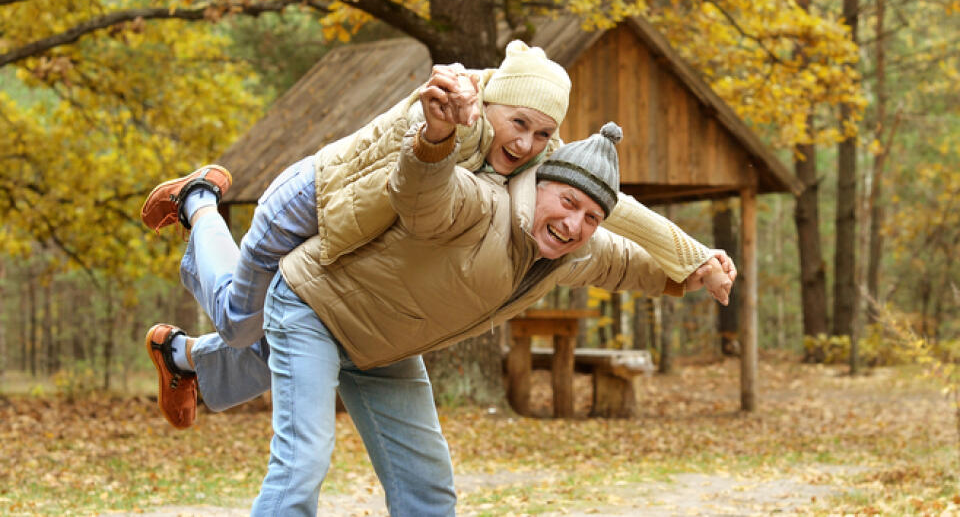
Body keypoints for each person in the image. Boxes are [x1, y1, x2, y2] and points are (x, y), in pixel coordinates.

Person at [143, 41, 735, 429]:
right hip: (310, 199)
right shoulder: (460, 109)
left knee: (275, 342)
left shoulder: (537, 164)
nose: (526, 142)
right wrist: (445, 110)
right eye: (520, 123)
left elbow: (621, 211)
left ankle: (182, 357)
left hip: (351, 249)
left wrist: (696, 260)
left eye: (542, 133)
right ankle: (199, 203)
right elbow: (422, 157)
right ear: (495, 99)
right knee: (243, 323)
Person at [249, 120, 730, 515]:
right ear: (539, 184)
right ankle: (202, 208)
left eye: (591, 217)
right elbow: (425, 188)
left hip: (381, 344)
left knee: (428, 485)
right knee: (303, 463)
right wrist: (433, 141)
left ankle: (184, 351)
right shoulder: (482, 205)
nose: (574, 225)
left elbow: (626, 263)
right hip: (313, 307)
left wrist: (692, 273)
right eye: (567, 203)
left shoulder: (569, 251)